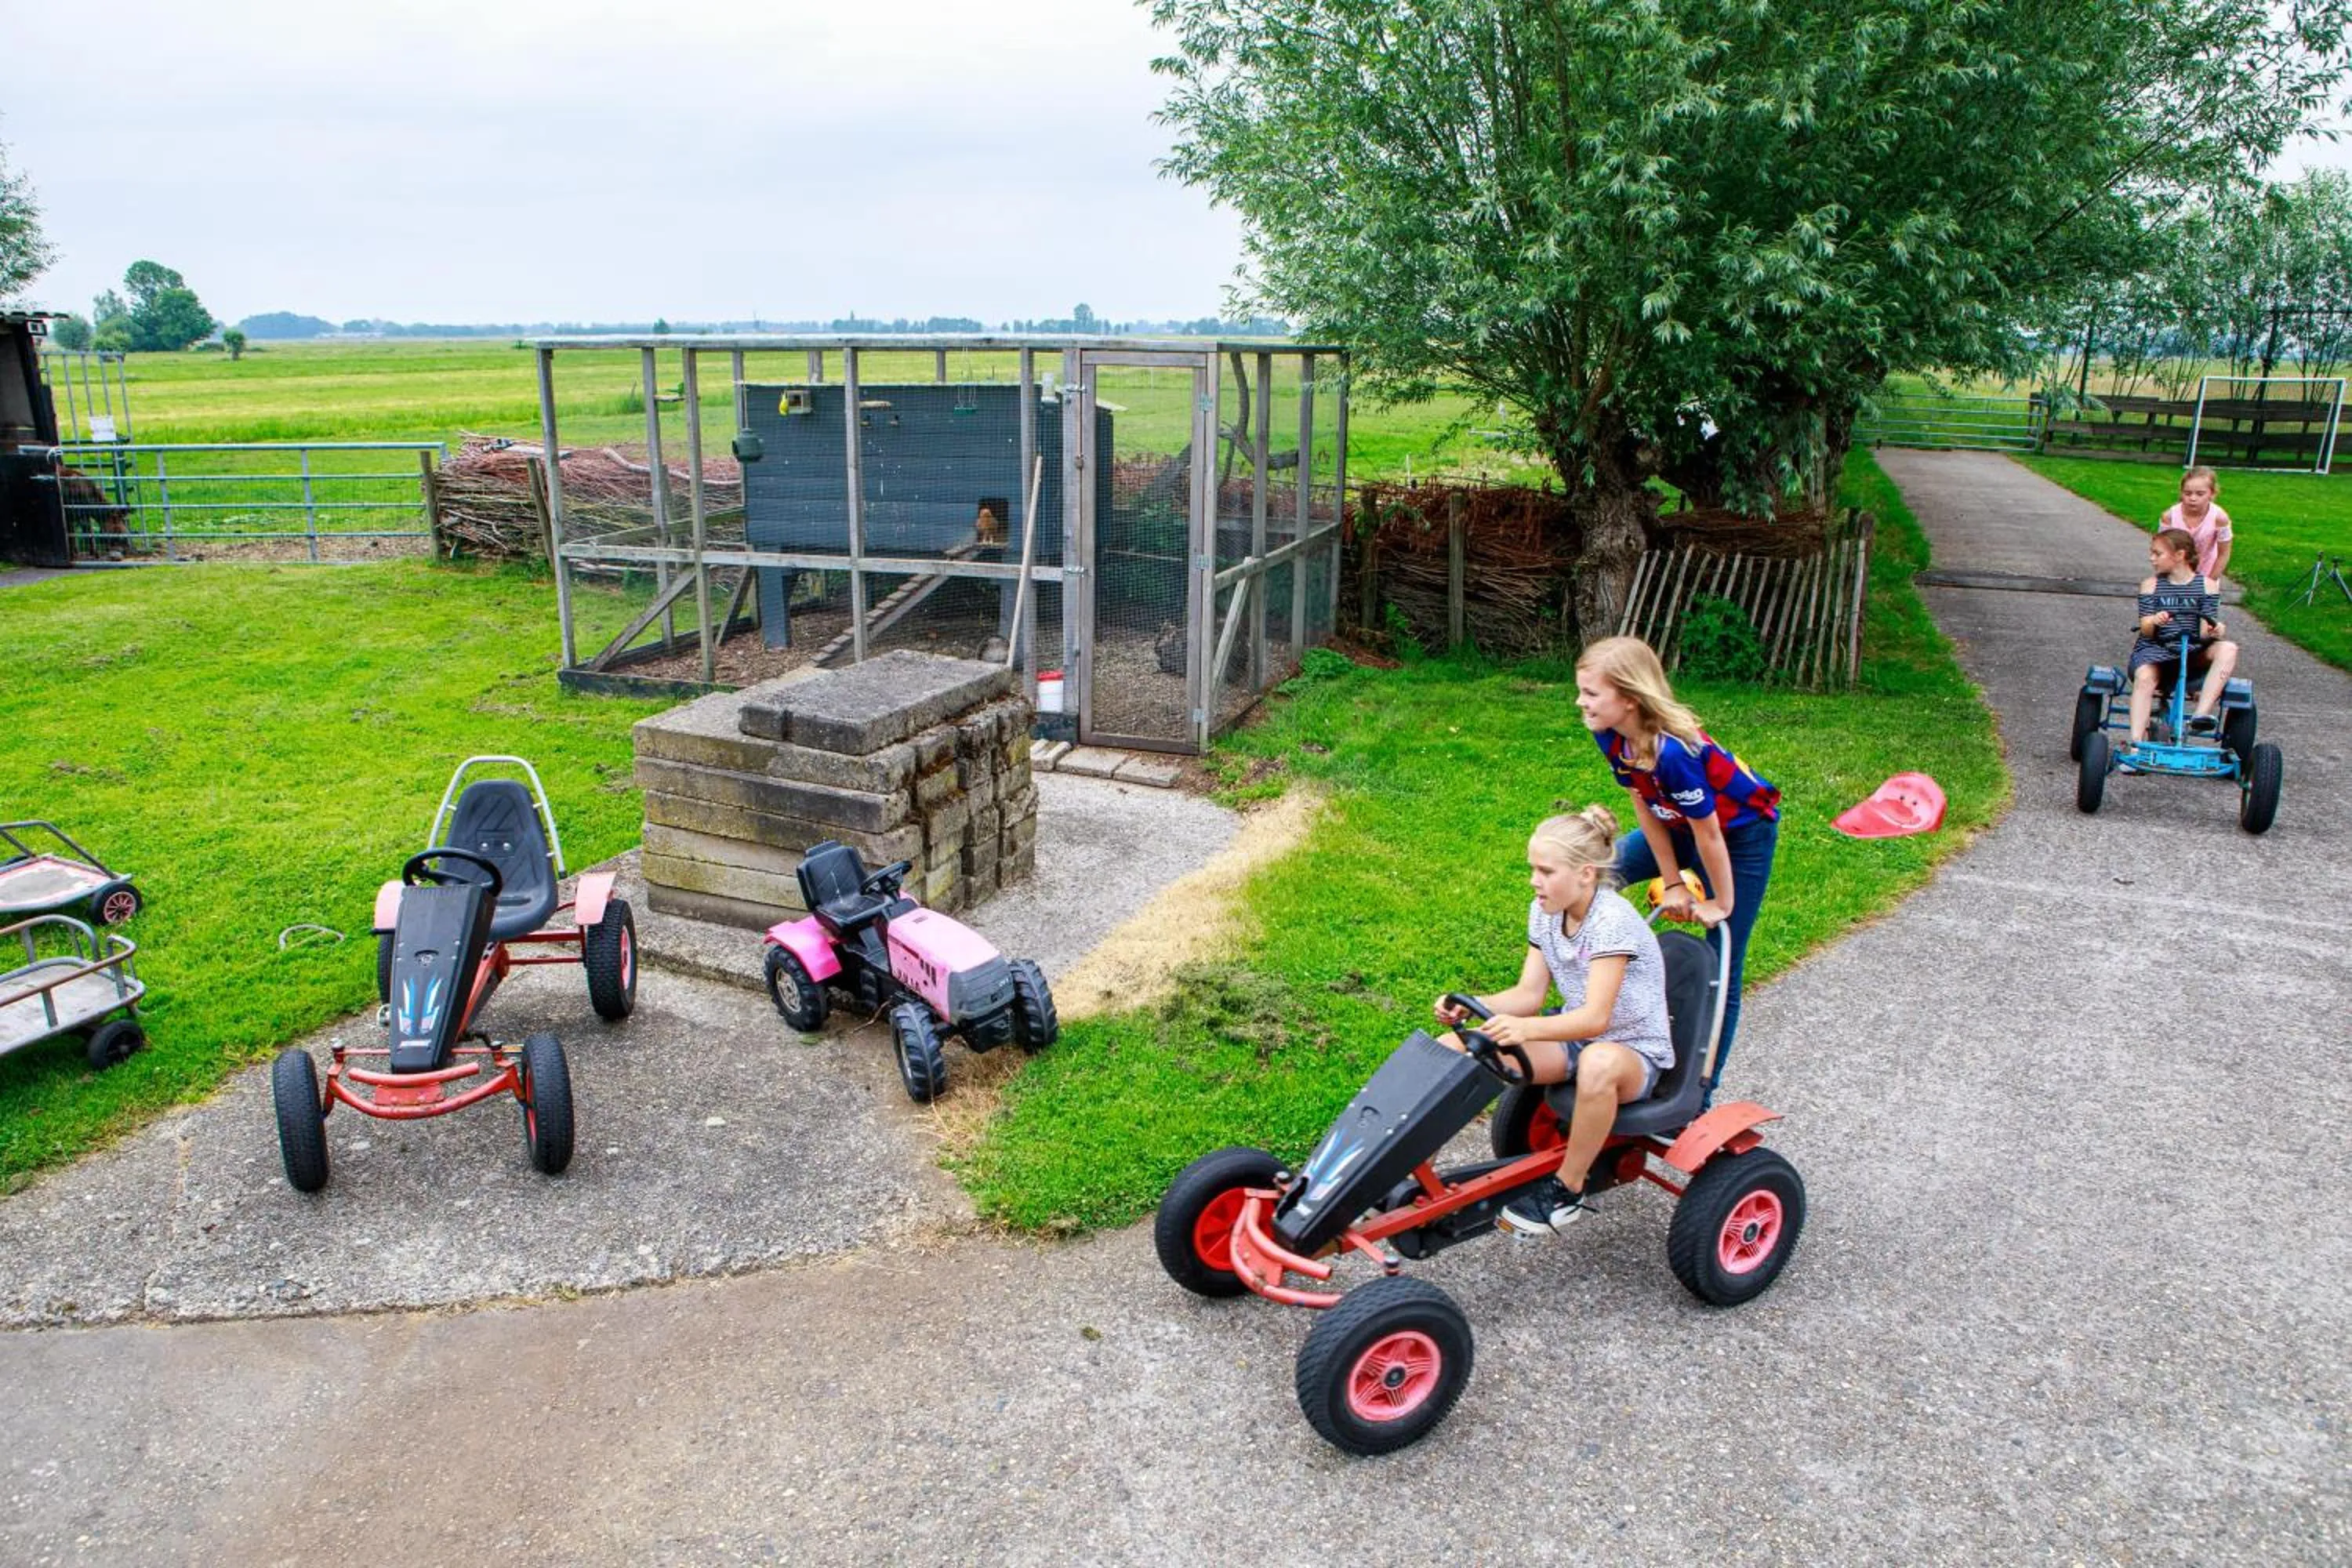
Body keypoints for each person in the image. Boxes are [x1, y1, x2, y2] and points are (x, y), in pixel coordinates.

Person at [1432, 804, 1674, 1236]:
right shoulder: (1545, 910)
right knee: (1458, 1047)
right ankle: (1413, 1172)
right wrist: (1475, 1004)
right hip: (1577, 1036)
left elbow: (1597, 1019)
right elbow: (1529, 995)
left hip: (1632, 1052)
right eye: (1533, 869)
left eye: (1545, 871)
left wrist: (1527, 1029)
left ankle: (1568, 1188)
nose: (1534, 881)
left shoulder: (1612, 921)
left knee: (1598, 1061)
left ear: (1584, 874)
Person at [1574, 634, 1779, 1084]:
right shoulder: (1609, 735)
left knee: (1723, 959)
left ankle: (1698, 1093)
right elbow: (1644, 806)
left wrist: (1720, 903)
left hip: (1738, 838)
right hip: (1677, 825)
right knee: (1589, 880)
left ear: (1629, 698)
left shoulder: (1674, 752)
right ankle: (1598, 999)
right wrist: (1672, 883)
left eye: (1591, 693)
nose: (1580, 702)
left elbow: (1710, 834)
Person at [2125, 527, 2238, 763]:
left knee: (2229, 647)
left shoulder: (2207, 586)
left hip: (2193, 649)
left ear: (2180, 555)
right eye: (2152, 553)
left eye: (2158, 554)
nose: (2152, 558)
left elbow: (2206, 629)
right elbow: (2145, 627)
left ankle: (2201, 714)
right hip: (2157, 648)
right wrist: (2154, 621)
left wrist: (2217, 630)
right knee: (2145, 678)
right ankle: (2136, 746)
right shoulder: (2151, 585)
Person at [2160, 466, 2233, 590]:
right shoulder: (2169, 517)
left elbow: (2224, 554)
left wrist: (2210, 581)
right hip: (2175, 575)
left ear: (2212, 493)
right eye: (2187, 493)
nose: (2193, 498)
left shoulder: (2220, 518)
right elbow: (2162, 550)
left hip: (2207, 574)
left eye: (2200, 494)